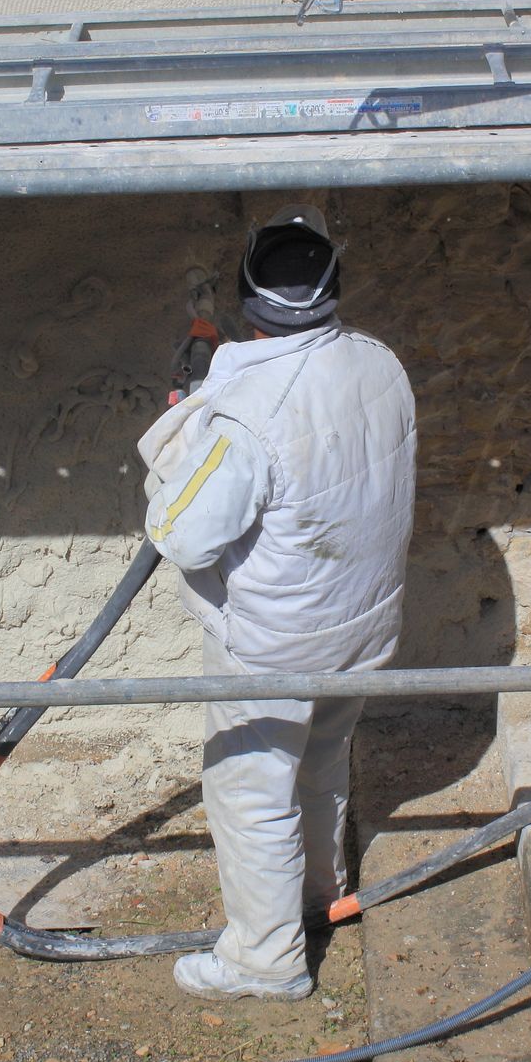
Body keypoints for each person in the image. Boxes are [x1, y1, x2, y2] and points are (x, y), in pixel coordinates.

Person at [137, 204, 417, 1001]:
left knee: (251, 793)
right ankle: (315, 899)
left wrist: (184, 439)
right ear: (333, 292)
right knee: (324, 764)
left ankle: (266, 960)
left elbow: (183, 536)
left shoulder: (246, 416)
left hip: (274, 644)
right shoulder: (379, 362)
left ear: (247, 301)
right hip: (361, 627)